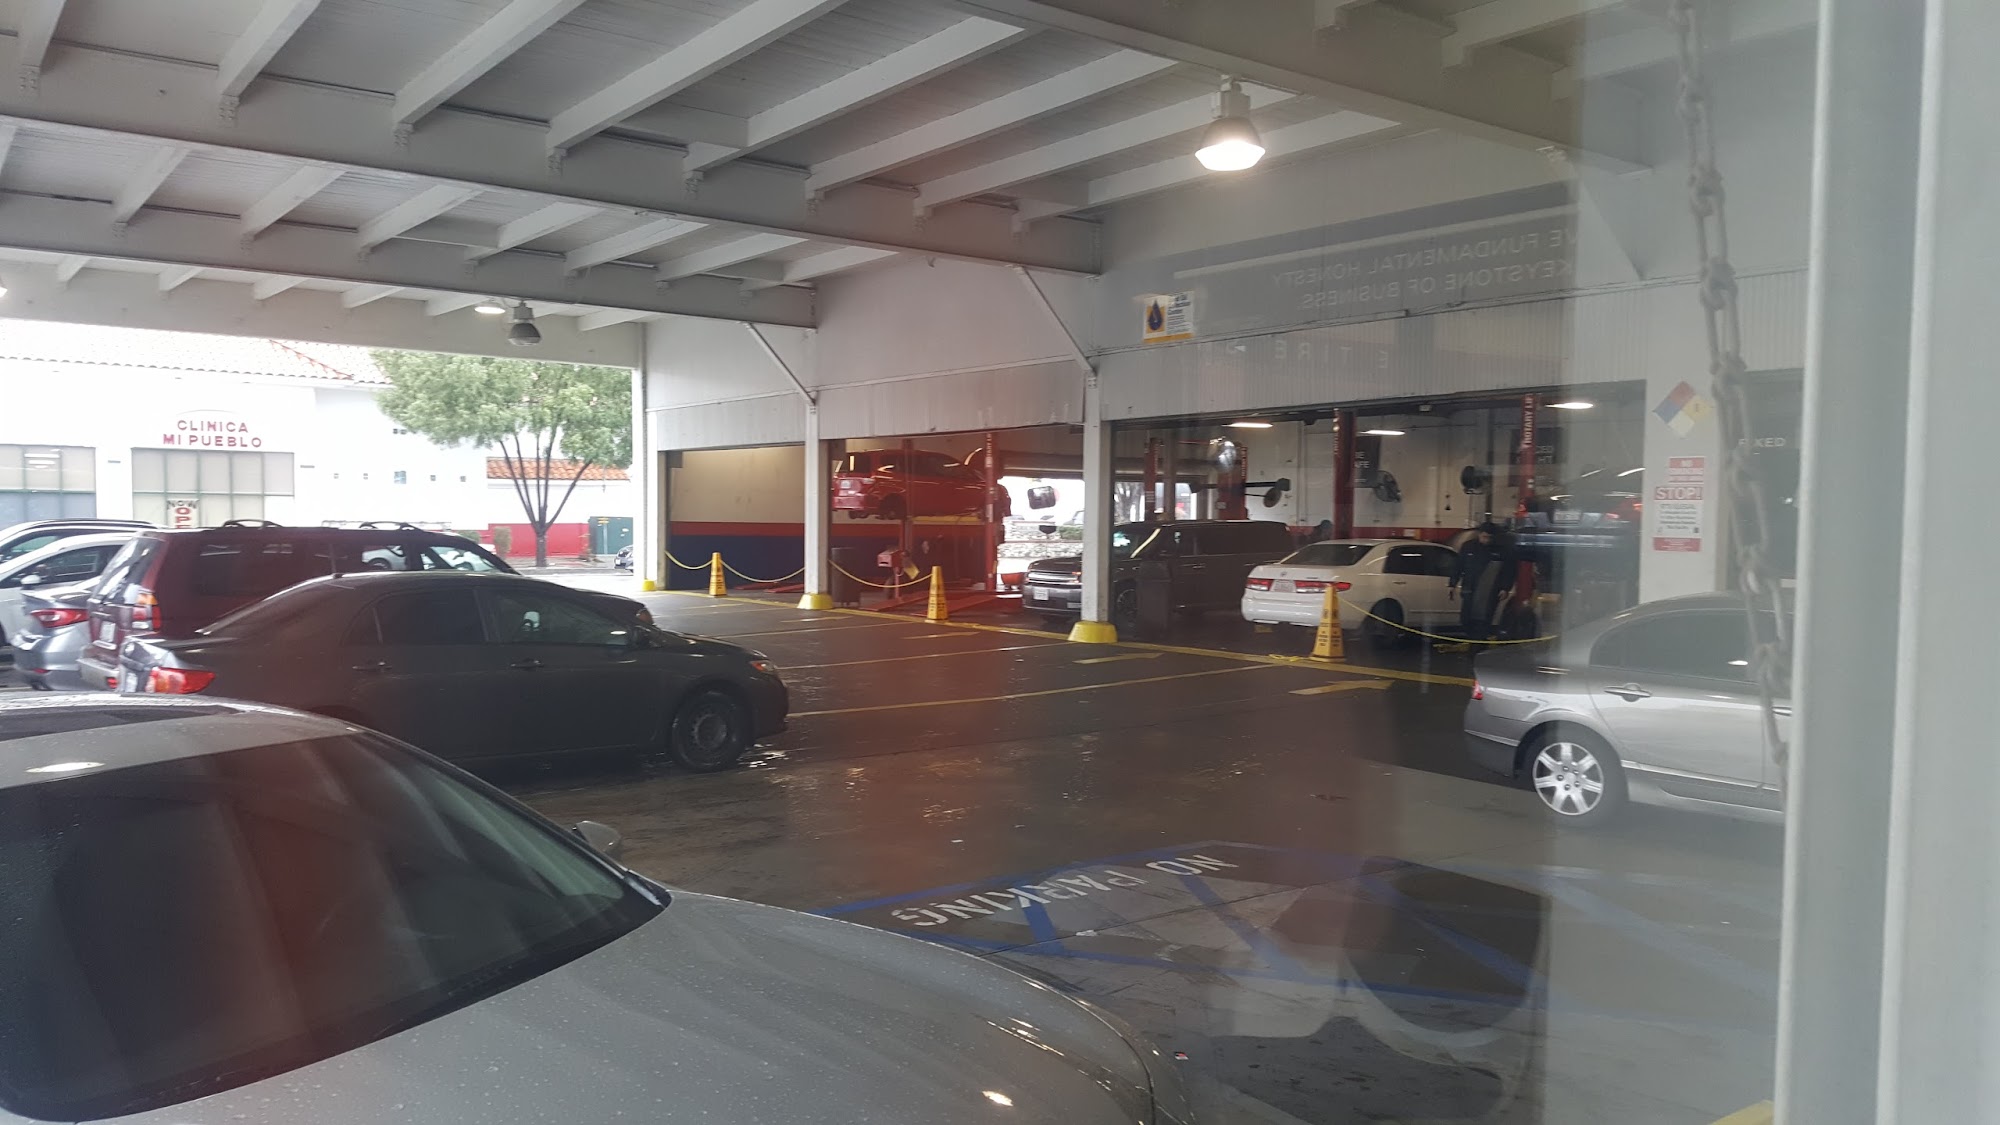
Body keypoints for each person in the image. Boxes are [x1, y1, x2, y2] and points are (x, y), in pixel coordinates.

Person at [1450, 523, 1504, 639]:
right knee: (1466, 618)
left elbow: (1507, 570)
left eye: (1489, 538)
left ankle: (1478, 643)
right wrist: (1453, 583)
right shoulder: (1468, 547)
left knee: (1482, 621)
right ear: (1479, 534)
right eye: (1484, 537)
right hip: (1469, 588)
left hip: (1487, 592)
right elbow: (1458, 566)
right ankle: (1474, 639)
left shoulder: (1498, 550)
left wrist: (1505, 587)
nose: (1486, 540)